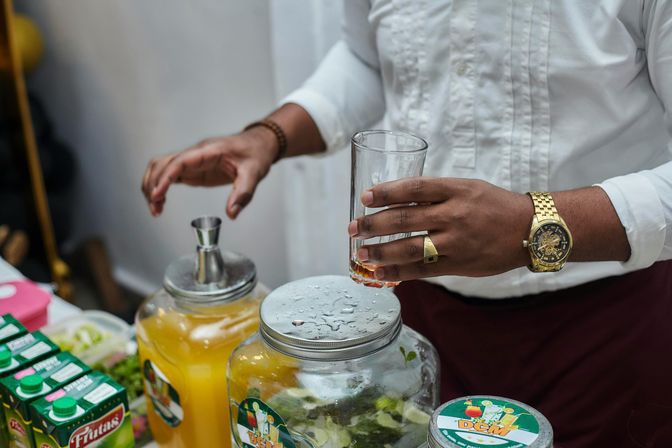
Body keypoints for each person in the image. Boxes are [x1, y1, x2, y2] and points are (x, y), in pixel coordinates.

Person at [142, 1, 672, 446]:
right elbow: (367, 59)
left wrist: (530, 225)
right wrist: (270, 136)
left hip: (603, 332)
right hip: (417, 325)